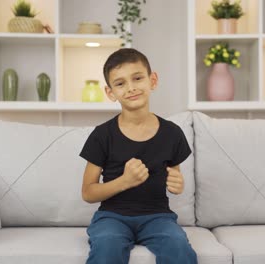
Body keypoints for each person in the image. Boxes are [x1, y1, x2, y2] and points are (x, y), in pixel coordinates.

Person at [79, 48, 198, 264]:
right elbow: (88, 192)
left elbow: (175, 177)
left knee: (179, 249)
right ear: (110, 92)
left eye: (137, 78)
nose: (131, 88)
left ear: (152, 80)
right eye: (120, 83)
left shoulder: (172, 133)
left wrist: (178, 184)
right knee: (107, 247)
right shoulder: (102, 135)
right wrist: (125, 181)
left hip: (158, 217)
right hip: (112, 217)